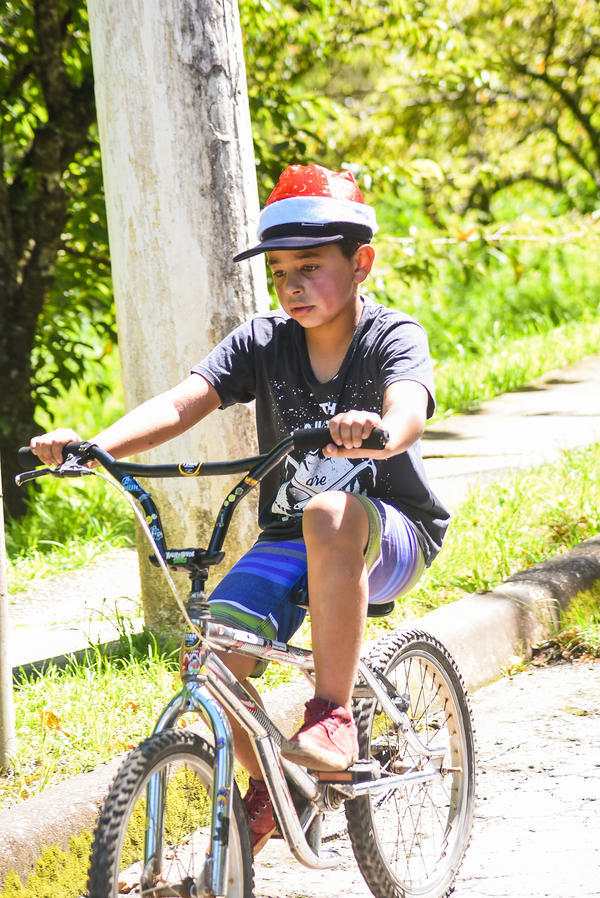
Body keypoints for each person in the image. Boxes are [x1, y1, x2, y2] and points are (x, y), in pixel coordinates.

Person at [30, 162, 449, 853]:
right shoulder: (263, 341)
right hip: (291, 538)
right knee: (210, 660)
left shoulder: (391, 336)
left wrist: (378, 429)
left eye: (310, 267)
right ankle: (282, 786)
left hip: (389, 532)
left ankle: (334, 716)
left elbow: (408, 409)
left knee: (329, 513)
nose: (292, 285)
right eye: (279, 272)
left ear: (361, 263)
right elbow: (182, 403)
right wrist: (94, 448)